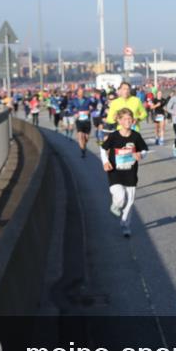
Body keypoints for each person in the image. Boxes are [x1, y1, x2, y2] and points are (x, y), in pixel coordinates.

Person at [100, 108, 148, 238]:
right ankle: (115, 205)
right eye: (125, 119)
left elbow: (144, 150)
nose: (128, 121)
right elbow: (103, 148)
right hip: (115, 171)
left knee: (130, 202)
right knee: (120, 197)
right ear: (119, 121)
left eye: (130, 119)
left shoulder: (136, 136)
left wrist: (140, 155)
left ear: (133, 120)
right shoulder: (114, 136)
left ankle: (126, 225)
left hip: (131, 173)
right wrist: (105, 162)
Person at [68, 87, 95, 158]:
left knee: (86, 138)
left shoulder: (88, 100)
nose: (81, 93)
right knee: (80, 136)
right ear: (77, 93)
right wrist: (75, 113)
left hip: (87, 121)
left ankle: (84, 146)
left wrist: (89, 111)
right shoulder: (74, 100)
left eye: (82, 92)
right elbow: (70, 108)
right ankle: (82, 151)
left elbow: (94, 107)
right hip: (79, 121)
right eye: (80, 92)